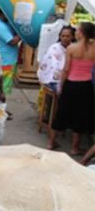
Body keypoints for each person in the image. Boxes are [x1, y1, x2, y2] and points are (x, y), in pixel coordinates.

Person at [49, 22, 95, 156]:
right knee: (80, 116)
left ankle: (51, 143)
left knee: (61, 113)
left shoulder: (71, 48)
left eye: (78, 30)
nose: (76, 32)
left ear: (82, 33)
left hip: (70, 84)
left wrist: (60, 85)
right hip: (86, 86)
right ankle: (75, 148)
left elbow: (66, 69)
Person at [0, 11, 20, 118]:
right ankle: (0, 111)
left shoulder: (3, 23)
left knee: (2, 87)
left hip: (7, 60)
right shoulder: (0, 26)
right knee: (2, 88)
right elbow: (12, 41)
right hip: (5, 62)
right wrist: (22, 34)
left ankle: (0, 109)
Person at [38, 25, 75, 93]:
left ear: (72, 37)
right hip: (53, 80)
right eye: (63, 36)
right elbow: (50, 66)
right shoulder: (54, 48)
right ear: (60, 36)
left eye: (67, 36)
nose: (65, 38)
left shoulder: (75, 49)